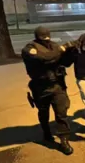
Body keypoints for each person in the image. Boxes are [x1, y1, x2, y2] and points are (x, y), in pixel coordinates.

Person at [22, 27, 74, 155]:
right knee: (44, 112)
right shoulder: (29, 49)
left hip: (57, 85)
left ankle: (64, 140)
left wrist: (70, 51)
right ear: (37, 36)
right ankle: (46, 132)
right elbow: (44, 57)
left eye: (47, 36)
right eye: (43, 37)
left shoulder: (54, 46)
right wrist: (61, 50)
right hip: (41, 87)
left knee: (62, 113)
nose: (46, 39)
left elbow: (65, 63)